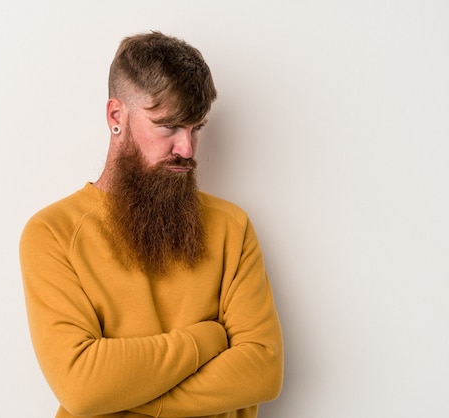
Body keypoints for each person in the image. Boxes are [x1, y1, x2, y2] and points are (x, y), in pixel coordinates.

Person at [19, 31, 283, 418]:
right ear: (116, 116)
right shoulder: (52, 234)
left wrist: (129, 397)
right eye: (169, 126)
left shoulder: (232, 227)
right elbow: (83, 388)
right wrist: (205, 339)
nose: (187, 149)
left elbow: (263, 371)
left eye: (196, 128)